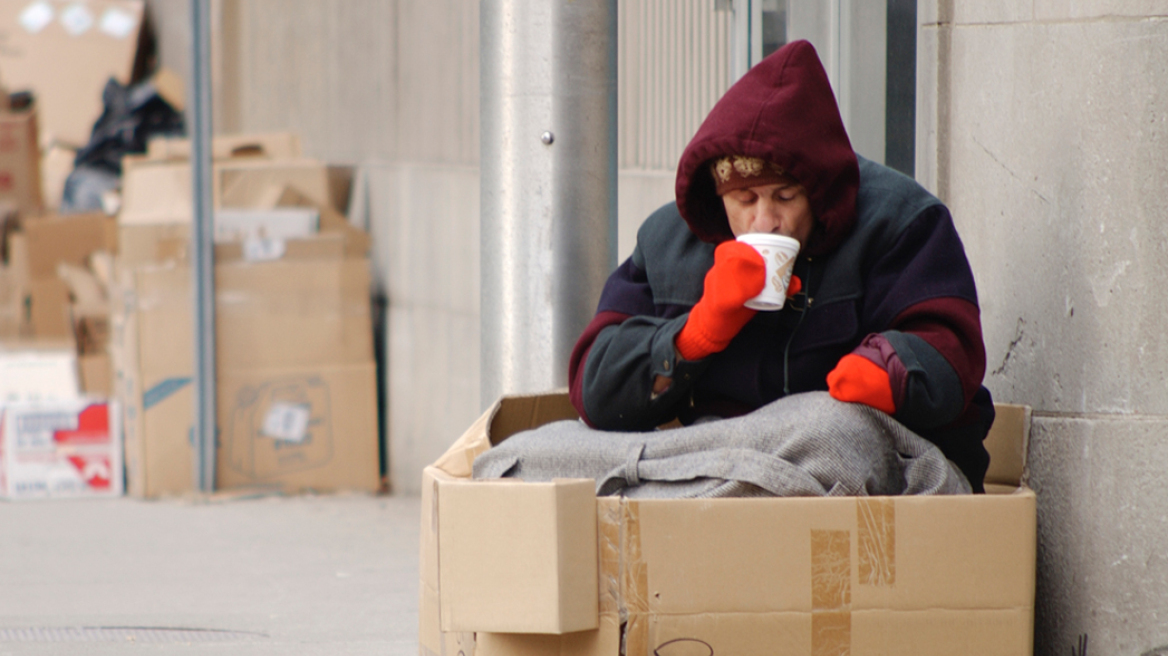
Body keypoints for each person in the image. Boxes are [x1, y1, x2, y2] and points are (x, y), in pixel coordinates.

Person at [567, 40, 994, 492]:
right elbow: (593, 389)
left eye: (785, 197)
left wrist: (891, 370)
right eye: (744, 199)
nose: (764, 221)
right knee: (554, 450)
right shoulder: (667, 240)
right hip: (724, 457)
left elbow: (953, 348)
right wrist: (693, 336)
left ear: (819, 191)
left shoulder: (899, 220)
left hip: (859, 458)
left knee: (829, 429)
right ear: (719, 195)